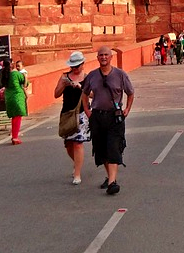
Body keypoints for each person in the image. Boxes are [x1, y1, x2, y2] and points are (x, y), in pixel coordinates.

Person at [81, 46, 135, 196]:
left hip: (114, 116)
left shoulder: (120, 75)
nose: (103, 57)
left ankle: (112, 182)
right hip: (97, 116)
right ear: (97, 58)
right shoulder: (92, 76)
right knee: (101, 149)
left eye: (106, 55)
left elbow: (130, 93)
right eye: (101, 55)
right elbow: (84, 94)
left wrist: (127, 110)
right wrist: (87, 110)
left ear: (111, 57)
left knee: (113, 147)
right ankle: (110, 177)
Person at [54, 51, 91, 185]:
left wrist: (81, 88)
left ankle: (77, 173)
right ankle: (77, 163)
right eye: (73, 66)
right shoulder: (64, 77)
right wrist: (64, 85)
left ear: (82, 64)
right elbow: (56, 94)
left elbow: (92, 94)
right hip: (67, 113)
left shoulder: (87, 78)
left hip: (81, 113)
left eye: (77, 66)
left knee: (78, 143)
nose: (75, 69)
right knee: (69, 144)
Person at [0, 58, 28, 144]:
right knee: (17, 117)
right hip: (17, 97)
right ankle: (15, 137)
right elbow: (25, 82)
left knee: (14, 117)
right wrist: (25, 76)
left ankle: (14, 135)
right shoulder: (16, 74)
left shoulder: (4, 75)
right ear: (11, 65)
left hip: (8, 97)